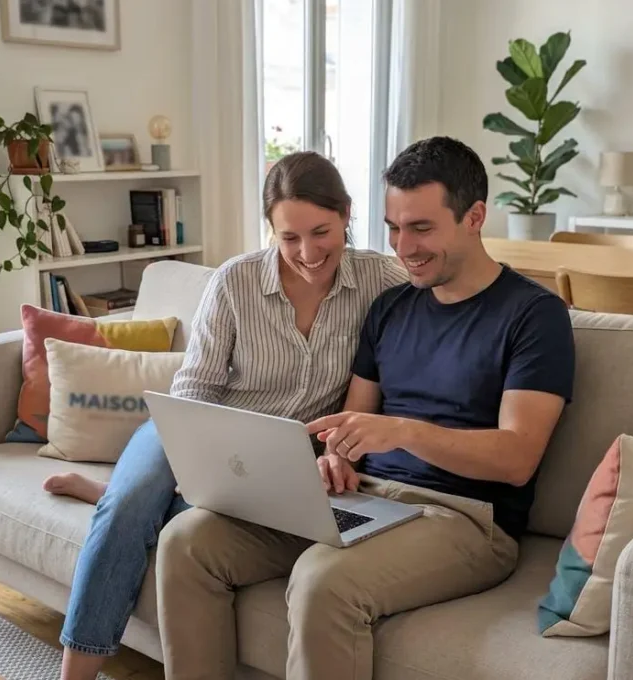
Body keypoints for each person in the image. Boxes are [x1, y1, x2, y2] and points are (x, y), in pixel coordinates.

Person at [155, 136, 577, 680]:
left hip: (465, 518)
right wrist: (334, 458)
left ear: (475, 216)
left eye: (422, 228)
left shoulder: (533, 316)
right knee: (188, 543)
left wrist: (402, 431)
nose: (405, 247)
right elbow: (349, 426)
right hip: (365, 498)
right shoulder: (390, 307)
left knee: (321, 579)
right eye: (394, 228)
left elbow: (517, 458)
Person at [46, 151, 409, 680]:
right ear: (271, 230)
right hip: (199, 426)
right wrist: (204, 458)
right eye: (289, 238)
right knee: (126, 510)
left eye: (321, 232)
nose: (307, 252)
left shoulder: (382, 280)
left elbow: (446, 304)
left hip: (292, 450)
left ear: (348, 214)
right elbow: (194, 390)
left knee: (194, 522)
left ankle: (136, 498)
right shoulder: (235, 282)